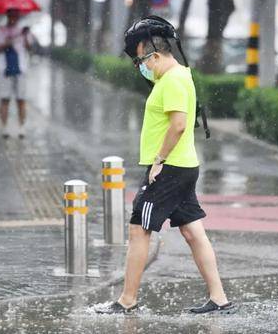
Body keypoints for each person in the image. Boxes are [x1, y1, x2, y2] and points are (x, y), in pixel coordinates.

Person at [95, 17, 233, 315]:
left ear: (154, 54)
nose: (140, 67)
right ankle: (219, 298)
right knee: (193, 233)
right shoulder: (180, 76)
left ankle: (127, 300)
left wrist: (158, 160)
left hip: (169, 168)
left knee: (138, 229)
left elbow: (179, 124)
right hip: (183, 166)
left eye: (141, 60)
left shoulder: (171, 80)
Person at [0, 8, 34, 139]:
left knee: (21, 99)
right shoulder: (1, 30)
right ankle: (4, 127)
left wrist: (26, 35)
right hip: (5, 69)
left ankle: (21, 127)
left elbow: (30, 47)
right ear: (7, 16)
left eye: (15, 15)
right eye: (11, 15)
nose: (13, 18)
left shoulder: (23, 31)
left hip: (21, 69)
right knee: (5, 99)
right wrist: (6, 43)